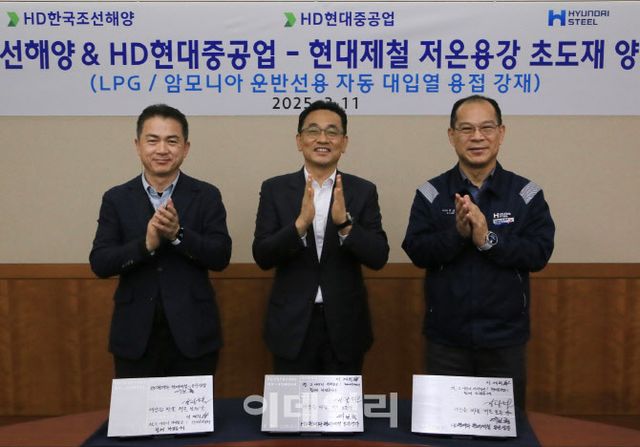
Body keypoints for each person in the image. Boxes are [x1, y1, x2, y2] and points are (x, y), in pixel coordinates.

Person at [402, 95, 555, 409]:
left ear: (501, 133)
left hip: (504, 340)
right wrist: (457, 235)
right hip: (446, 340)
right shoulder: (431, 193)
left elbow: (538, 253)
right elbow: (417, 250)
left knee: (502, 428)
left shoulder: (526, 194)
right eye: (466, 129)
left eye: (486, 128)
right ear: (451, 135)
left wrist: (488, 239)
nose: (477, 137)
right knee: (446, 428)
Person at [90, 104, 232, 378]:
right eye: (153, 140)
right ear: (138, 145)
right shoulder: (116, 198)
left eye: (172, 141)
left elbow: (220, 256)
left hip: (194, 333)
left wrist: (178, 235)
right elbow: (100, 262)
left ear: (186, 148)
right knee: (136, 407)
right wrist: (146, 245)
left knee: (191, 408)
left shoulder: (206, 195)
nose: (162, 149)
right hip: (134, 335)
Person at [252, 100, 389, 374]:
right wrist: (299, 226)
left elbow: (378, 257)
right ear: (299, 140)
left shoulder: (362, 191)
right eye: (313, 131)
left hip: (346, 326)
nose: (323, 139)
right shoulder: (275, 189)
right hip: (290, 326)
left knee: (342, 404)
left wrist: (345, 226)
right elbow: (263, 255)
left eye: (332, 132)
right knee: (290, 403)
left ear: (344, 142)